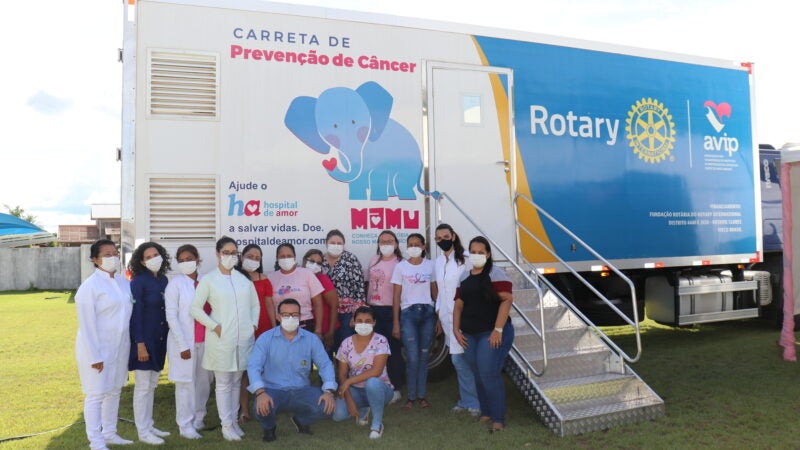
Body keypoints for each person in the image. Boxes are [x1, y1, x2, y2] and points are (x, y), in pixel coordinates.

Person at [190, 236, 260, 441]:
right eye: (226, 252)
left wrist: (252, 325)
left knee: (237, 381)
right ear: (218, 254)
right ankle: (226, 425)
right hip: (221, 339)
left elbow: (254, 305)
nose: (230, 256)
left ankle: (234, 421)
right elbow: (195, 308)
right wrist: (215, 326)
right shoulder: (209, 280)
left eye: (233, 253)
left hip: (243, 339)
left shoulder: (243, 280)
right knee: (223, 382)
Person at [247, 299, 337, 442]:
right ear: (278, 317)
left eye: (294, 315)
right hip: (273, 389)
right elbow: (253, 366)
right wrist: (260, 393)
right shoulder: (265, 338)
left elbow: (325, 364)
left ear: (300, 316)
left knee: (328, 406)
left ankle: (301, 420)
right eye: (285, 315)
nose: (290, 318)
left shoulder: (311, 339)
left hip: (301, 389)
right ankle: (269, 427)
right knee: (260, 408)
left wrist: (328, 391)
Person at [75, 239, 134, 450]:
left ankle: (110, 433)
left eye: (115, 253)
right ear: (95, 259)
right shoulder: (89, 287)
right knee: (96, 394)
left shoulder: (123, 282)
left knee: (114, 391)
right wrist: (95, 356)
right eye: (107, 255)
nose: (112, 258)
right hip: (97, 349)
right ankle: (96, 441)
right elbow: (87, 325)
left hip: (120, 347)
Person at [453, 236, 515, 433]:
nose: (477, 255)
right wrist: (455, 330)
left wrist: (498, 330)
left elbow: (507, 300)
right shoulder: (464, 276)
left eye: (481, 252)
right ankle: (486, 412)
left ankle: (498, 419)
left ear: (488, 254)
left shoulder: (496, 273)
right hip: (469, 334)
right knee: (478, 374)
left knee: (489, 373)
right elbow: (458, 305)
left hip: (491, 332)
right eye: (473, 252)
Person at [164, 244, 213, 439]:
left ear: (198, 259)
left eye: (189, 259)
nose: (186, 263)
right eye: (181, 260)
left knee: (204, 382)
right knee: (185, 384)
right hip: (184, 342)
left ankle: (199, 418)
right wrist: (182, 345)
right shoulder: (175, 284)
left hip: (206, 341)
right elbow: (171, 316)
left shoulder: (207, 281)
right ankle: (185, 425)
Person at [434, 224, 480, 416]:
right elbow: (441, 291)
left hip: (464, 317)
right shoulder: (438, 262)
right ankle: (467, 400)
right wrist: (438, 312)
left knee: (463, 360)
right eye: (438, 238)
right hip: (447, 319)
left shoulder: (466, 259)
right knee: (459, 361)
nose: (442, 240)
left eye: (446, 236)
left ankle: (474, 402)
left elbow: (475, 286)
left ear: (453, 236)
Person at [128, 241, 171, 445]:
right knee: (143, 386)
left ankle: (149, 424)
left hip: (160, 338)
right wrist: (140, 343)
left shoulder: (163, 280)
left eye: (156, 254)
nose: (153, 259)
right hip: (144, 339)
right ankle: (142, 432)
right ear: (142, 262)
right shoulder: (138, 282)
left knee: (152, 384)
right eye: (148, 257)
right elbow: (135, 314)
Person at [332, 306, 395, 439]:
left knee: (372, 382)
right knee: (338, 416)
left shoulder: (381, 340)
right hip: (356, 390)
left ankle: (377, 424)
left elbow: (376, 371)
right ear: (353, 322)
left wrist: (349, 381)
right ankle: (364, 408)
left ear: (374, 323)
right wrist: (349, 401)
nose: (363, 324)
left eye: (368, 321)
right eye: (359, 321)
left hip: (381, 389)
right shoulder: (346, 343)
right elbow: (342, 375)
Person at [391, 233, 437, 410]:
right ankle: (411, 397)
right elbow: (396, 296)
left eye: (417, 244)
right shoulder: (400, 267)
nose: (413, 247)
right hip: (408, 314)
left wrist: (439, 318)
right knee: (412, 357)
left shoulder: (430, 265)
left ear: (424, 247)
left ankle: (422, 395)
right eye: (410, 244)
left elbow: (435, 293)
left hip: (428, 314)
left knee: (424, 356)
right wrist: (396, 323)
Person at [234, 243, 276, 423]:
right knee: (244, 371)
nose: (253, 260)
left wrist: (274, 329)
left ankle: (267, 406)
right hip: (243, 329)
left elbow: (269, 304)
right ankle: (244, 410)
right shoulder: (234, 277)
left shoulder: (264, 279)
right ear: (241, 257)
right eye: (250, 256)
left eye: (257, 258)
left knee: (265, 369)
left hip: (264, 328)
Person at [365, 230, 405, 402]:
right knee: (375, 351)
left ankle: (396, 387)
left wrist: (396, 321)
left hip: (391, 310)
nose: (386, 244)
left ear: (396, 244)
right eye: (382, 241)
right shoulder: (374, 260)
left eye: (389, 241)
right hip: (373, 310)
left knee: (393, 351)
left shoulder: (401, 263)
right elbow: (368, 284)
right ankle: (378, 385)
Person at [321, 229, 366, 352]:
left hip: (347, 313)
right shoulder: (320, 260)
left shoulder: (351, 259)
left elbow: (359, 287)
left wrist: (357, 314)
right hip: (326, 311)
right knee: (327, 347)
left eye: (339, 243)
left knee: (346, 347)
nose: (336, 245)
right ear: (326, 243)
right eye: (332, 242)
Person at [267, 243, 324, 338]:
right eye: (282, 256)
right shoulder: (271, 278)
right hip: (281, 326)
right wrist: (274, 328)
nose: (286, 258)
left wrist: (318, 329)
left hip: (305, 324)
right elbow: (270, 306)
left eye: (289, 256)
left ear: (294, 257)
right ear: (277, 258)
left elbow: (318, 303)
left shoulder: (307, 273)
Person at [301, 248, 339, 349]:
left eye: (318, 263)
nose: (314, 265)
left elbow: (334, 305)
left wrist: (330, 332)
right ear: (304, 260)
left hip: (323, 331)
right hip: (306, 328)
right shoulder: (299, 277)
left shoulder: (323, 279)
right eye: (312, 261)